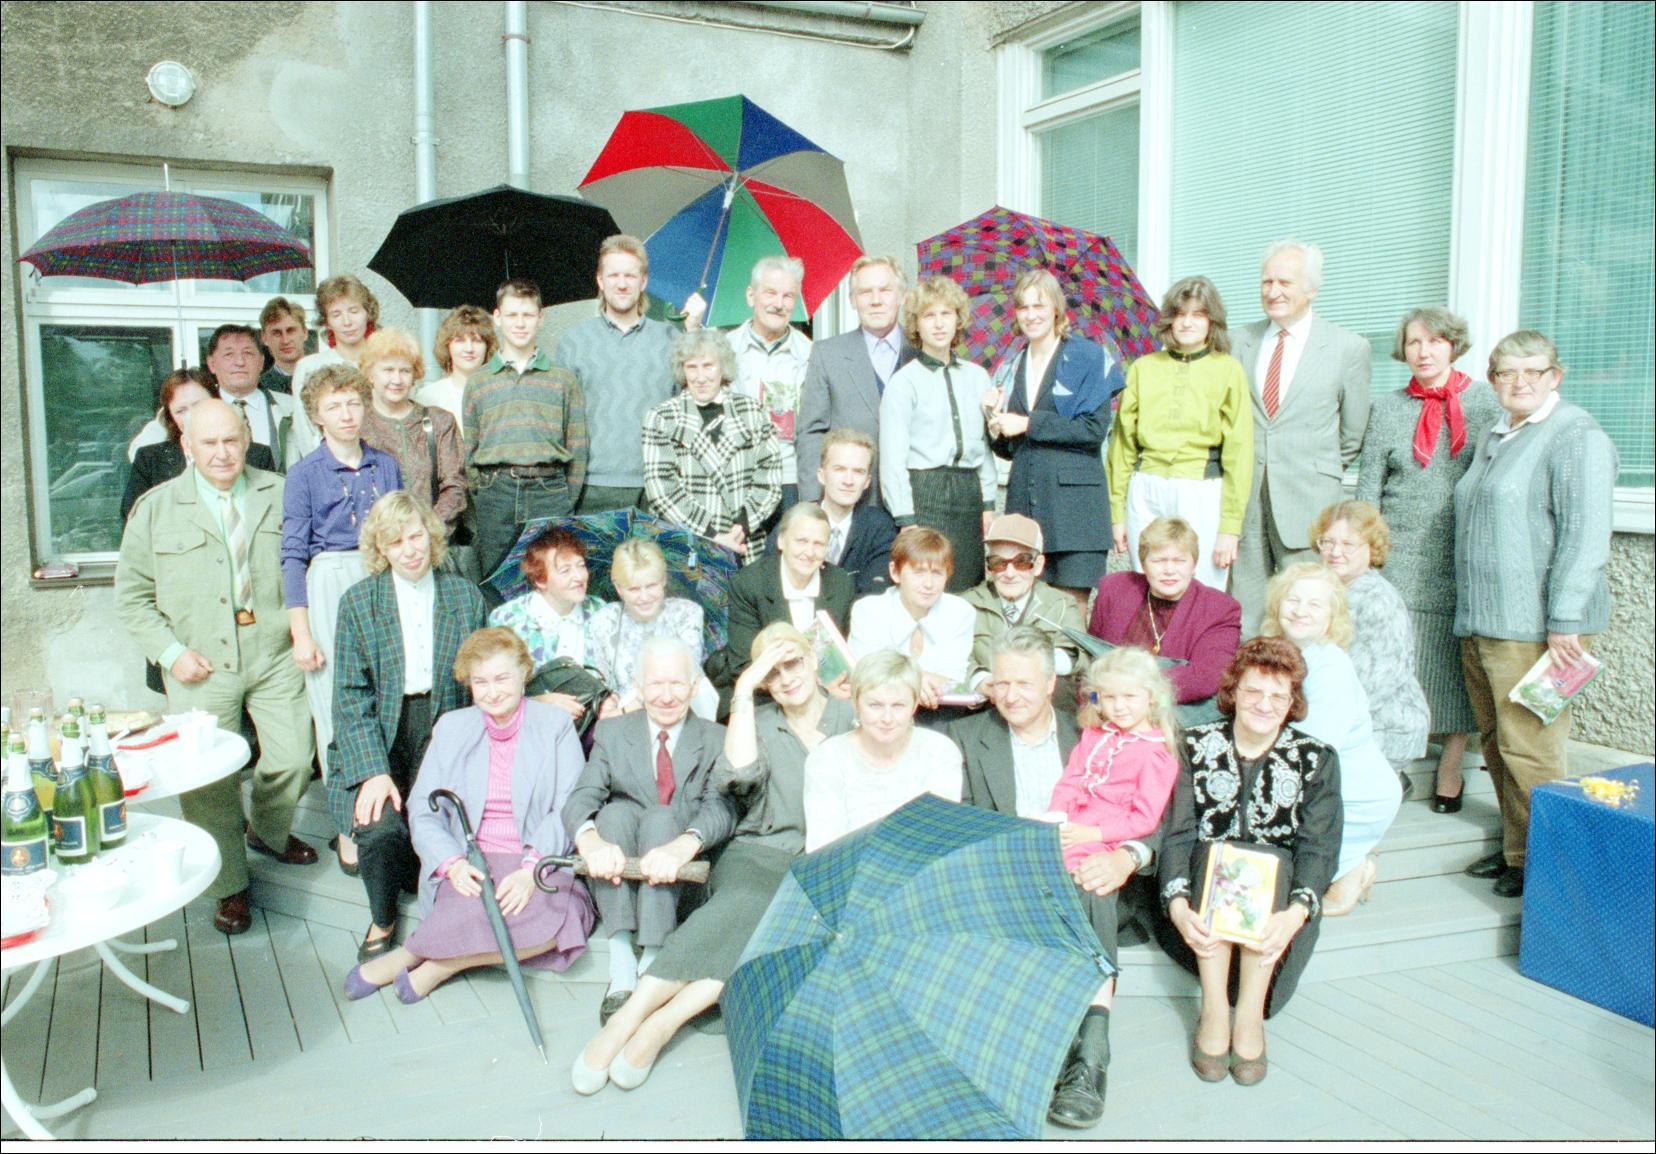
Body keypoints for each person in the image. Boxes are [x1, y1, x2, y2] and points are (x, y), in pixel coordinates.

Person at [571, 623, 852, 1095]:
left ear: (812, 660)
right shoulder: (755, 720)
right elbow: (737, 778)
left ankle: (660, 1023)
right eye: (771, 673)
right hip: (760, 851)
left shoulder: (851, 715)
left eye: (793, 664)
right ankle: (627, 1021)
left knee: (770, 923)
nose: (786, 679)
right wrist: (743, 690)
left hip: (824, 862)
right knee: (747, 900)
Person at [114, 398, 318, 936]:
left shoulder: (283, 493)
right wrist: (171, 653)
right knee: (208, 782)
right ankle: (230, 883)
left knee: (295, 757)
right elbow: (131, 598)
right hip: (199, 662)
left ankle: (266, 832)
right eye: (209, 443)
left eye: (232, 440)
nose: (223, 453)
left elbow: (312, 566)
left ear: (247, 439)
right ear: (186, 446)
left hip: (274, 652)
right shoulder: (156, 508)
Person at [951, 628, 1162, 1129]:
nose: (1011, 695)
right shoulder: (966, 737)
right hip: (1008, 878)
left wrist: (1128, 857)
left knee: (1093, 881)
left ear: (1050, 684)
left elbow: (1155, 813)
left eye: (1024, 683)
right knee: (1076, 888)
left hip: (1090, 871)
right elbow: (964, 825)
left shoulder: (1092, 731)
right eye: (1002, 682)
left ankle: (1088, 1059)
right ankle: (1068, 1051)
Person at [345, 628, 595, 1002]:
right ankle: (426, 953)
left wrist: (531, 869)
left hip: (536, 854)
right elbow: (423, 808)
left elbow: (569, 805)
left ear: (523, 674)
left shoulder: (554, 725)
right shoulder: (452, 727)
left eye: (501, 678)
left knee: (565, 917)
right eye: (481, 682)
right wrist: (453, 863)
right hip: (472, 856)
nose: (492, 692)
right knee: (473, 908)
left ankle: (426, 961)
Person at [1454, 330, 1616, 898]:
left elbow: (1587, 535)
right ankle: (1518, 851)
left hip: (1540, 630)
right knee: (1498, 740)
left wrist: (1566, 619)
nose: (1520, 382)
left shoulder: (1576, 436)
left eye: (1533, 371)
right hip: (1486, 619)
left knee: (1531, 748)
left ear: (1555, 376)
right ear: (1493, 379)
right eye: (1507, 372)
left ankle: (1551, 870)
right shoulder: (1497, 433)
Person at [1158, 638, 1342, 1086]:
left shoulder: (1315, 759)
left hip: (1278, 918)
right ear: (1234, 692)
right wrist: (1177, 905)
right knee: (1218, 852)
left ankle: (1250, 1014)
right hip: (1198, 906)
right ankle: (1214, 1009)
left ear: (1293, 702)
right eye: (1254, 691)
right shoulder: (1193, 745)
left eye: (1278, 696)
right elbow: (1177, 832)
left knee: (1267, 860)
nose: (1264, 704)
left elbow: (1319, 848)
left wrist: (1296, 913)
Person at [328, 492, 487, 961]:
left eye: (415, 536)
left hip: (445, 728)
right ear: (381, 549)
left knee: (441, 824)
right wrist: (373, 770)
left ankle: (440, 902)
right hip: (382, 731)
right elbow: (350, 697)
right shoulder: (359, 602)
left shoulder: (464, 596)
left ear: (430, 535)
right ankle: (383, 917)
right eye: (396, 542)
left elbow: (480, 684)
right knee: (379, 827)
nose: (410, 550)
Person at [1356, 307, 1500, 812]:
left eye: (1435, 341)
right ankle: (1390, 762)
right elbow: (1369, 485)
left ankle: (1451, 763)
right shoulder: (1387, 408)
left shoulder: (1486, 403)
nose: (1424, 352)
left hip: (1460, 551)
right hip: (1399, 550)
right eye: (1414, 342)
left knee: (1454, 662)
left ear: (1453, 345)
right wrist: (1367, 552)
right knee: (1394, 656)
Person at [563, 636, 735, 1022]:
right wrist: (589, 841)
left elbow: (721, 808)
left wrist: (686, 844)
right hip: (623, 873)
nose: (666, 696)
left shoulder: (716, 738)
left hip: (682, 880)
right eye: (656, 683)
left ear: (694, 686)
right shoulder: (612, 732)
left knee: (660, 817)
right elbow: (582, 796)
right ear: (638, 687)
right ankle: (622, 960)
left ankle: (654, 960)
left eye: (677, 683)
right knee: (612, 815)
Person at [1229, 240, 1372, 634]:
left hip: (1308, 500)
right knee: (1247, 612)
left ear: (1311, 289)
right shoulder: (1237, 342)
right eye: (1266, 281)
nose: (1273, 291)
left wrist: (1312, 468)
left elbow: (1353, 433)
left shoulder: (1347, 347)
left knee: (1307, 610)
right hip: (1246, 499)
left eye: (1285, 282)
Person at [282, 363, 403, 787]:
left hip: (380, 574)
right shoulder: (304, 474)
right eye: (334, 407)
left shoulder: (385, 465)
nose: (346, 415)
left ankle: (387, 790)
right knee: (335, 690)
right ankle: (345, 796)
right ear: (317, 416)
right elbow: (292, 556)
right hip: (330, 578)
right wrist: (301, 634)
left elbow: (399, 529)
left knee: (386, 683)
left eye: (353, 403)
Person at [1261, 563, 1403, 915]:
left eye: (1315, 604)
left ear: (1331, 617)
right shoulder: (1279, 652)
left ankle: (1356, 868)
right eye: (1293, 600)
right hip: (1310, 785)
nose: (1300, 611)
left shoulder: (1331, 667)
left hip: (1351, 796)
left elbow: (1312, 754)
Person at [985, 268, 1125, 610]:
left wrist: (1028, 423)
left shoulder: (1087, 357)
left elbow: (1092, 430)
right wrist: (994, 424)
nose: (1031, 315)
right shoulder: (1011, 365)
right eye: (1023, 307)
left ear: (1056, 309)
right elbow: (1012, 447)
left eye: (1039, 306)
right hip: (1027, 504)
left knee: (1070, 612)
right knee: (1027, 610)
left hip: (1076, 509)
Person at [1106, 275, 1252, 591]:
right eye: (1180, 314)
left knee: (1202, 588)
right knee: (1147, 584)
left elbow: (1239, 452)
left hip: (1201, 488)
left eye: (1197, 315)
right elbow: (1122, 446)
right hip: (1146, 487)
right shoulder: (1143, 368)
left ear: (1212, 321)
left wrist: (1230, 527)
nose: (1187, 323)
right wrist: (1117, 514)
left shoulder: (1228, 369)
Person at [464, 279, 589, 586]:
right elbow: (469, 449)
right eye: (512, 315)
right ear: (497, 317)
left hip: (549, 491)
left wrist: (565, 497)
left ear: (540, 318)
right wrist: (486, 488)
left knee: (552, 577)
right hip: (496, 492)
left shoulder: (562, 379)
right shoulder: (479, 381)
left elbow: (578, 446)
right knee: (495, 581)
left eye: (527, 315)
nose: (520, 323)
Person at [879, 275, 997, 591]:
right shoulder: (904, 383)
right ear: (916, 325)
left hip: (969, 492)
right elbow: (892, 458)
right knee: (929, 582)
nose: (939, 323)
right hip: (925, 491)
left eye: (946, 314)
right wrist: (906, 517)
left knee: (969, 584)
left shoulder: (978, 377)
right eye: (929, 315)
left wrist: (988, 504)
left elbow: (984, 450)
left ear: (958, 320)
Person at [1311, 501, 1430, 788]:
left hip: (1383, 722)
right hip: (1335, 711)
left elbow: (1375, 684)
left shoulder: (1377, 599)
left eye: (1348, 544)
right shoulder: (1324, 587)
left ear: (1371, 548)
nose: (1335, 552)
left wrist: (1317, 720)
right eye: (1328, 542)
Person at [556, 235, 677, 515]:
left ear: (643, 282)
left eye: (630, 276)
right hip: (591, 487)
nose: (622, 284)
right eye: (613, 275)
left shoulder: (671, 339)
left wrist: (694, 329)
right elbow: (561, 421)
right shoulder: (573, 342)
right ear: (600, 280)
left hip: (657, 488)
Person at [641, 329, 783, 564]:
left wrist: (742, 526)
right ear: (682, 370)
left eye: (708, 366)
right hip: (689, 544)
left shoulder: (753, 411)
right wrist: (712, 536)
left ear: (723, 367)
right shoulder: (661, 418)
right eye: (692, 367)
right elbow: (661, 490)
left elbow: (770, 479)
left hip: (744, 544)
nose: (700, 377)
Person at [802, 649, 963, 851]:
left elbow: (940, 837)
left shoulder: (939, 751)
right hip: (850, 867)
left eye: (898, 705)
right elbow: (824, 849)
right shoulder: (827, 759)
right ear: (855, 703)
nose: (887, 718)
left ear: (914, 705)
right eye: (875, 705)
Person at [1089, 516, 1242, 718]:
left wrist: (1130, 693)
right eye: (1158, 561)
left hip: (1173, 716)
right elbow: (1091, 662)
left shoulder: (1218, 608)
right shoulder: (1115, 589)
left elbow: (1204, 679)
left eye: (1179, 561)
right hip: (1110, 713)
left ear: (1193, 564)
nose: (1169, 570)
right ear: (1143, 564)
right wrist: (1093, 708)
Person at [796, 255, 915, 504]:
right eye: (865, 292)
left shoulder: (921, 353)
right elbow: (811, 432)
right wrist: (812, 501)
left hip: (915, 499)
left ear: (902, 296)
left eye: (885, 290)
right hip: (850, 501)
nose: (875, 300)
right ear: (852, 300)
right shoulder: (827, 354)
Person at [704, 255, 813, 524]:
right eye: (770, 293)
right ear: (751, 296)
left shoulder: (810, 354)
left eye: (788, 296)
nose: (778, 303)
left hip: (790, 481)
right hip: (736, 479)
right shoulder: (723, 349)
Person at [706, 503, 855, 697]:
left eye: (819, 544)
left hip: (825, 694)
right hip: (767, 692)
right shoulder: (749, 583)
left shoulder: (841, 583)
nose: (810, 552)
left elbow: (840, 657)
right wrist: (803, 688)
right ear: (781, 541)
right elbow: (743, 664)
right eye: (801, 541)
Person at [127, 324, 300, 470]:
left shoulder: (293, 407)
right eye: (228, 354)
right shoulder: (192, 406)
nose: (239, 362)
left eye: (248, 353)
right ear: (211, 363)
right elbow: (140, 452)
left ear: (261, 361)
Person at [121, 367, 277, 523]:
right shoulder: (150, 459)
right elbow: (134, 519)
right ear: (170, 417)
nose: (192, 416)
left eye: (198, 405)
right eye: (180, 411)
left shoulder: (257, 455)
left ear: (217, 401)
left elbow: (271, 514)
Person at [488, 525, 607, 729]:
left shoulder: (601, 611)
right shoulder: (509, 619)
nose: (579, 577)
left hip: (593, 726)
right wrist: (537, 703)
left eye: (581, 566)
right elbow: (494, 688)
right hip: (529, 728)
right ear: (539, 580)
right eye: (565, 570)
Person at [847, 526, 976, 709]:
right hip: (880, 710)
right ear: (895, 572)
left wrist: (902, 681)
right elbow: (866, 677)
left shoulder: (960, 612)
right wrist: (917, 680)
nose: (929, 584)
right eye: (918, 572)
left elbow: (954, 683)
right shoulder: (868, 611)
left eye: (937, 573)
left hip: (941, 712)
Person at [588, 537, 717, 720]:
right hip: (628, 720)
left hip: (681, 708)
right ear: (618, 589)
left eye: (651, 586)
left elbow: (686, 674)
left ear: (663, 580)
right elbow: (602, 682)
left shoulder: (686, 613)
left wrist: (630, 706)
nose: (644, 597)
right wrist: (609, 700)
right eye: (633, 589)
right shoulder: (605, 619)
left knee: (702, 686)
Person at [358, 327, 465, 538]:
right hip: (378, 542)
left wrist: (424, 533)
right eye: (388, 370)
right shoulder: (358, 425)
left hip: (433, 540)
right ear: (370, 374)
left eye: (405, 371)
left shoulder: (440, 421)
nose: (397, 380)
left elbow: (455, 486)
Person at [964, 514, 1083, 700]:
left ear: (1038, 565)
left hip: (1043, 703)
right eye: (998, 563)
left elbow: (1076, 658)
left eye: (1021, 562)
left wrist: (1024, 670)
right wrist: (979, 680)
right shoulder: (966, 605)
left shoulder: (1061, 605)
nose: (1010, 573)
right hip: (983, 706)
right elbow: (949, 657)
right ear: (988, 566)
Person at [290, 273, 382, 459]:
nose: (347, 322)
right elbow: (304, 431)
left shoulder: (385, 364)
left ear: (368, 313)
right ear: (326, 321)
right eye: (336, 314)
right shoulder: (308, 367)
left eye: (354, 311)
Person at [807, 428, 895, 596]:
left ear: (867, 481)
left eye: (858, 472)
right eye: (839, 469)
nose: (848, 481)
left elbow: (874, 594)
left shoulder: (880, 529)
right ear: (821, 475)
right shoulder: (795, 523)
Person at [416, 304, 498, 433]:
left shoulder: (499, 394)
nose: (469, 349)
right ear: (447, 346)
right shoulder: (428, 398)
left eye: (477, 340)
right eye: (460, 340)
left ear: (488, 347)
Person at [258, 296, 310, 393]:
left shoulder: (326, 377)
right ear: (264, 338)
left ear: (305, 332)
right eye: (277, 333)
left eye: (291, 331)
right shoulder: (258, 389)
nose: (285, 340)